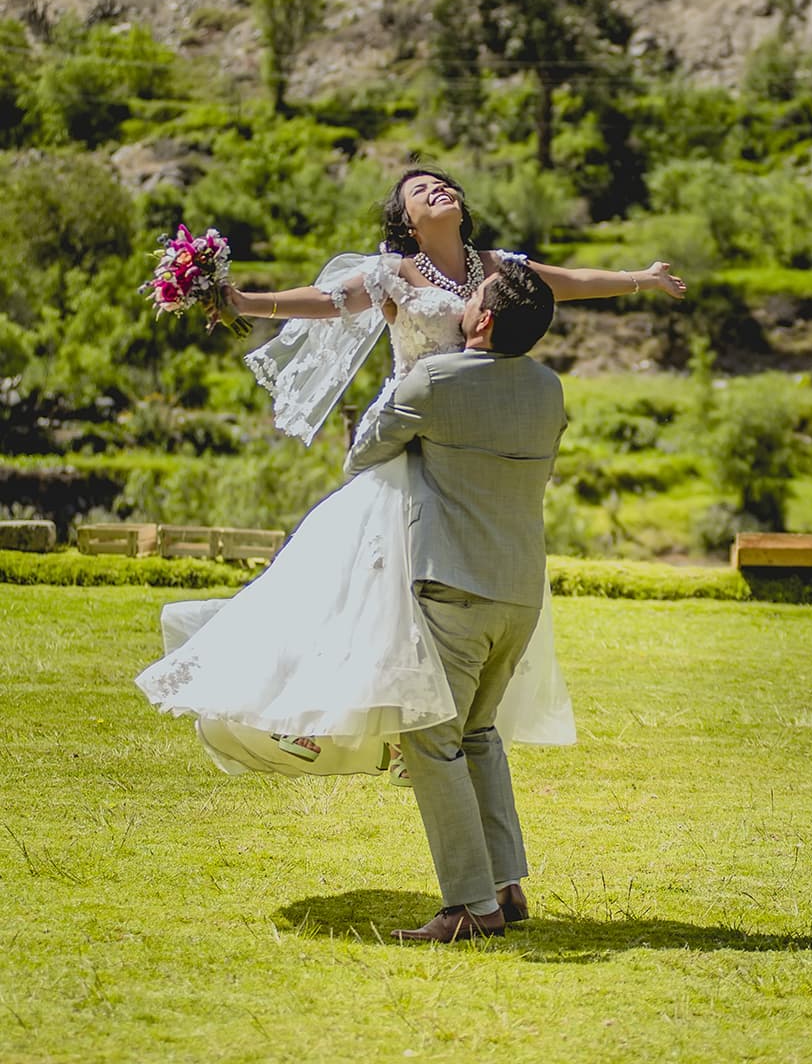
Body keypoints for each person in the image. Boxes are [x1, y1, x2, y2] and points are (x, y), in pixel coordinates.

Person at [135, 167, 686, 780]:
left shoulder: (493, 266)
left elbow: (565, 284)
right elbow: (324, 304)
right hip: (408, 439)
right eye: (420, 192)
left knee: (453, 589)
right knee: (368, 582)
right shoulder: (393, 274)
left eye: (442, 185)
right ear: (408, 221)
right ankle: (319, 716)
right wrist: (243, 302)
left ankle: (416, 730)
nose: (436, 192)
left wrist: (642, 279)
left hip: (471, 448)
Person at [344, 260, 565, 941]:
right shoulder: (549, 389)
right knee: (477, 733)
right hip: (520, 590)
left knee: (432, 740)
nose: (464, 299)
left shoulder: (435, 381)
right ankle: (506, 885)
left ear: (486, 320)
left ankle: (469, 906)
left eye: (474, 296)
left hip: (455, 586)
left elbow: (362, 454)